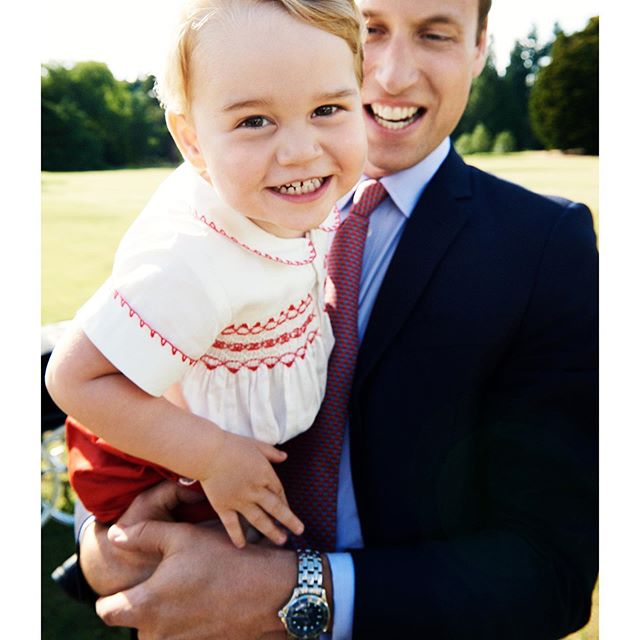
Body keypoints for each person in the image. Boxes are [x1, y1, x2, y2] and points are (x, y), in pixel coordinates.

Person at [67, 0, 599, 638]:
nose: (392, 75)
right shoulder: (204, 218)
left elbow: (549, 572)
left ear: (481, 44)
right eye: (371, 29)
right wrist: (108, 541)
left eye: (434, 33)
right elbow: (114, 388)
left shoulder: (543, 246)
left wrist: (296, 593)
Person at [45, 0, 368, 549]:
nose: (300, 150)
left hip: (221, 442)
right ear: (193, 140)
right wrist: (213, 456)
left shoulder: (281, 200)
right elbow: (74, 379)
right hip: (158, 462)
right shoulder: (194, 256)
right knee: (207, 597)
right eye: (253, 121)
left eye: (328, 109)